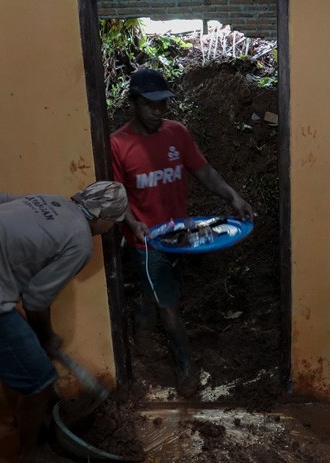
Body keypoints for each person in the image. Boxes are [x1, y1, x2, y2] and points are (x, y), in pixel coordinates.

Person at [0, 181, 129, 463]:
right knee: (41, 380)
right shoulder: (80, 241)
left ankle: (25, 422)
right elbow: (35, 299)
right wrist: (47, 337)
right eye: (114, 223)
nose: (110, 229)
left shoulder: (46, 200)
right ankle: (32, 453)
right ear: (104, 219)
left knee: (18, 363)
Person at [110, 68, 254, 399]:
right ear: (134, 102)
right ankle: (185, 369)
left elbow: (203, 171)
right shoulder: (118, 144)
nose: (158, 113)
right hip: (146, 241)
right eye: (150, 105)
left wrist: (233, 196)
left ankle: (144, 316)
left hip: (180, 237)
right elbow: (116, 196)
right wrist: (133, 224)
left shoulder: (177, 133)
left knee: (163, 291)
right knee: (171, 308)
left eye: (163, 105)